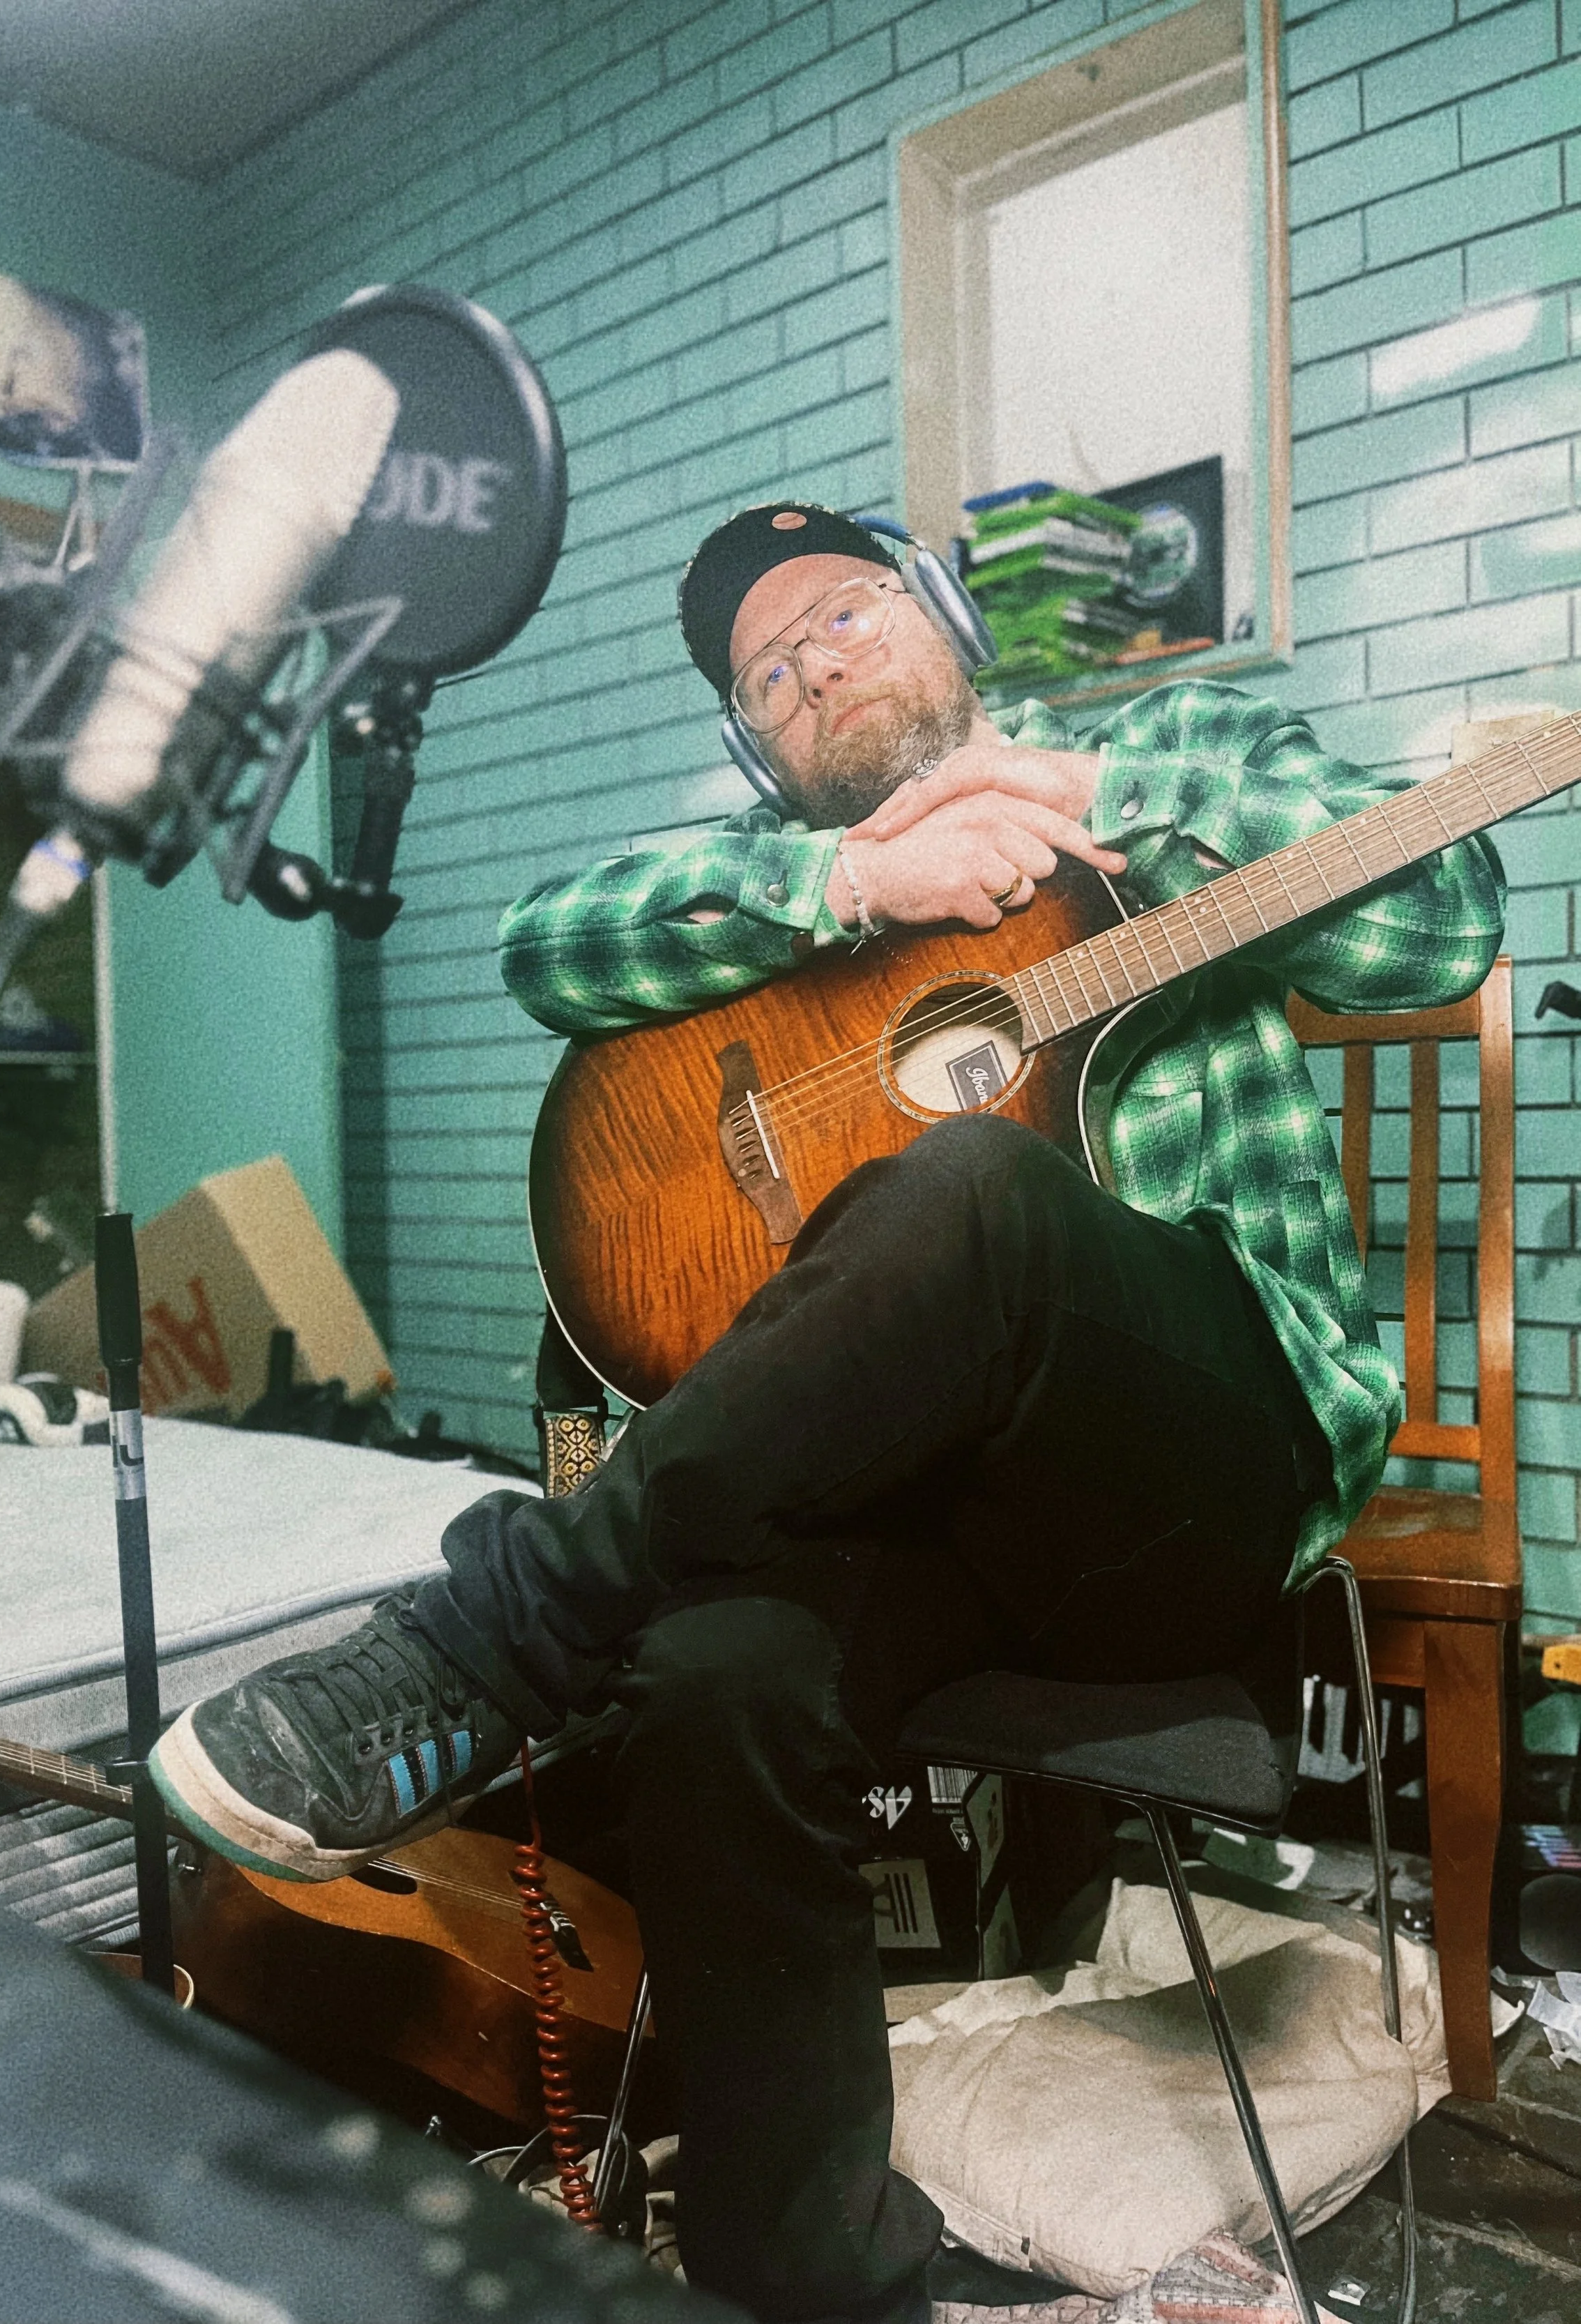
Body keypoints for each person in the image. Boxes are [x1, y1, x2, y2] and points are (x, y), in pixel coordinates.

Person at [151, 503, 1505, 2322]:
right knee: (717, 1666)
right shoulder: (791, 885)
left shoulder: (1171, 754)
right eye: (768, 675)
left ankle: (497, 1637)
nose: (814, 668)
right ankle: (807, 2285)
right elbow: (549, 943)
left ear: (942, 617)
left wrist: (1087, 784)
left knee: (977, 1190)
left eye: (846, 615)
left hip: (1192, 1469)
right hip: (925, 1521)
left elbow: (1441, 917)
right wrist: (851, 886)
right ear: (755, 748)